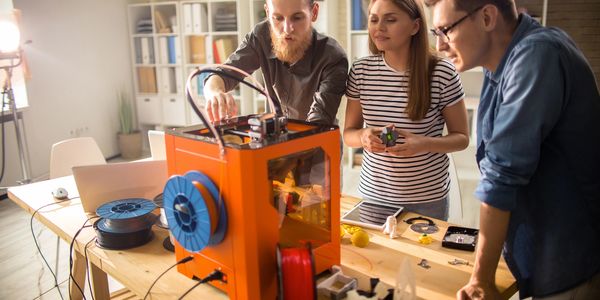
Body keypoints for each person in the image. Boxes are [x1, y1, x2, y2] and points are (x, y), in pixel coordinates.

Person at [425, 0, 600, 299]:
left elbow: (501, 175)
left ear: (487, 17)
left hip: (571, 261)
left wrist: (480, 279)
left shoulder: (537, 55)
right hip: (543, 252)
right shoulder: (500, 65)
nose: (439, 45)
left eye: (444, 30)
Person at [343, 0, 469, 221]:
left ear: (415, 26)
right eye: (373, 19)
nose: (379, 27)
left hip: (428, 199)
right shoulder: (361, 71)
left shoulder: (442, 72)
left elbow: (462, 138)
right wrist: (363, 136)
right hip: (374, 197)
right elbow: (348, 135)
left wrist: (424, 143)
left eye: (390, 20)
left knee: (422, 256)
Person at [202, 0, 348, 125]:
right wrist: (214, 92)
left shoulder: (333, 57)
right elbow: (225, 73)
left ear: (314, 12)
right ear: (267, 12)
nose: (287, 29)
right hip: (275, 142)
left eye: (297, 18)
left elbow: (318, 123)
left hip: (318, 147)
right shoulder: (261, 35)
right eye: (278, 18)